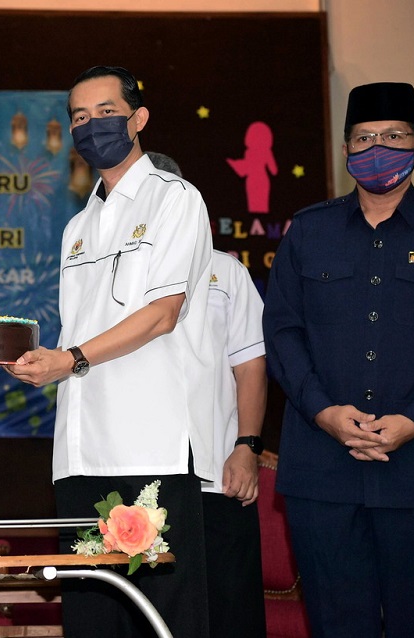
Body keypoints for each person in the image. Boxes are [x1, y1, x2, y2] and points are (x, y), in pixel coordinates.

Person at [263, 82, 414, 637]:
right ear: (346, 149)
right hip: (324, 471)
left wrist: (413, 420)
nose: (377, 148)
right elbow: (282, 333)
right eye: (364, 138)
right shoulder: (309, 229)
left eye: (394, 136)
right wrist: (323, 412)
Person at [7, 66, 216, 638]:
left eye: (106, 112)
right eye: (79, 116)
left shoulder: (176, 199)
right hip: (80, 450)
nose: (91, 125)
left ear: (138, 118)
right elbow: (80, 328)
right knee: (93, 617)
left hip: (152, 445)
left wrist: (70, 358)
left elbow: (162, 313)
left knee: (163, 618)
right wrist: (43, 360)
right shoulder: (77, 225)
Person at [147, 151, 268, 636]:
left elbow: (251, 364)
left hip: (218, 475)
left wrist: (248, 446)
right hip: (137, 477)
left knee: (228, 611)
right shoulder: (105, 272)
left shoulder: (226, 272)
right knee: (151, 613)